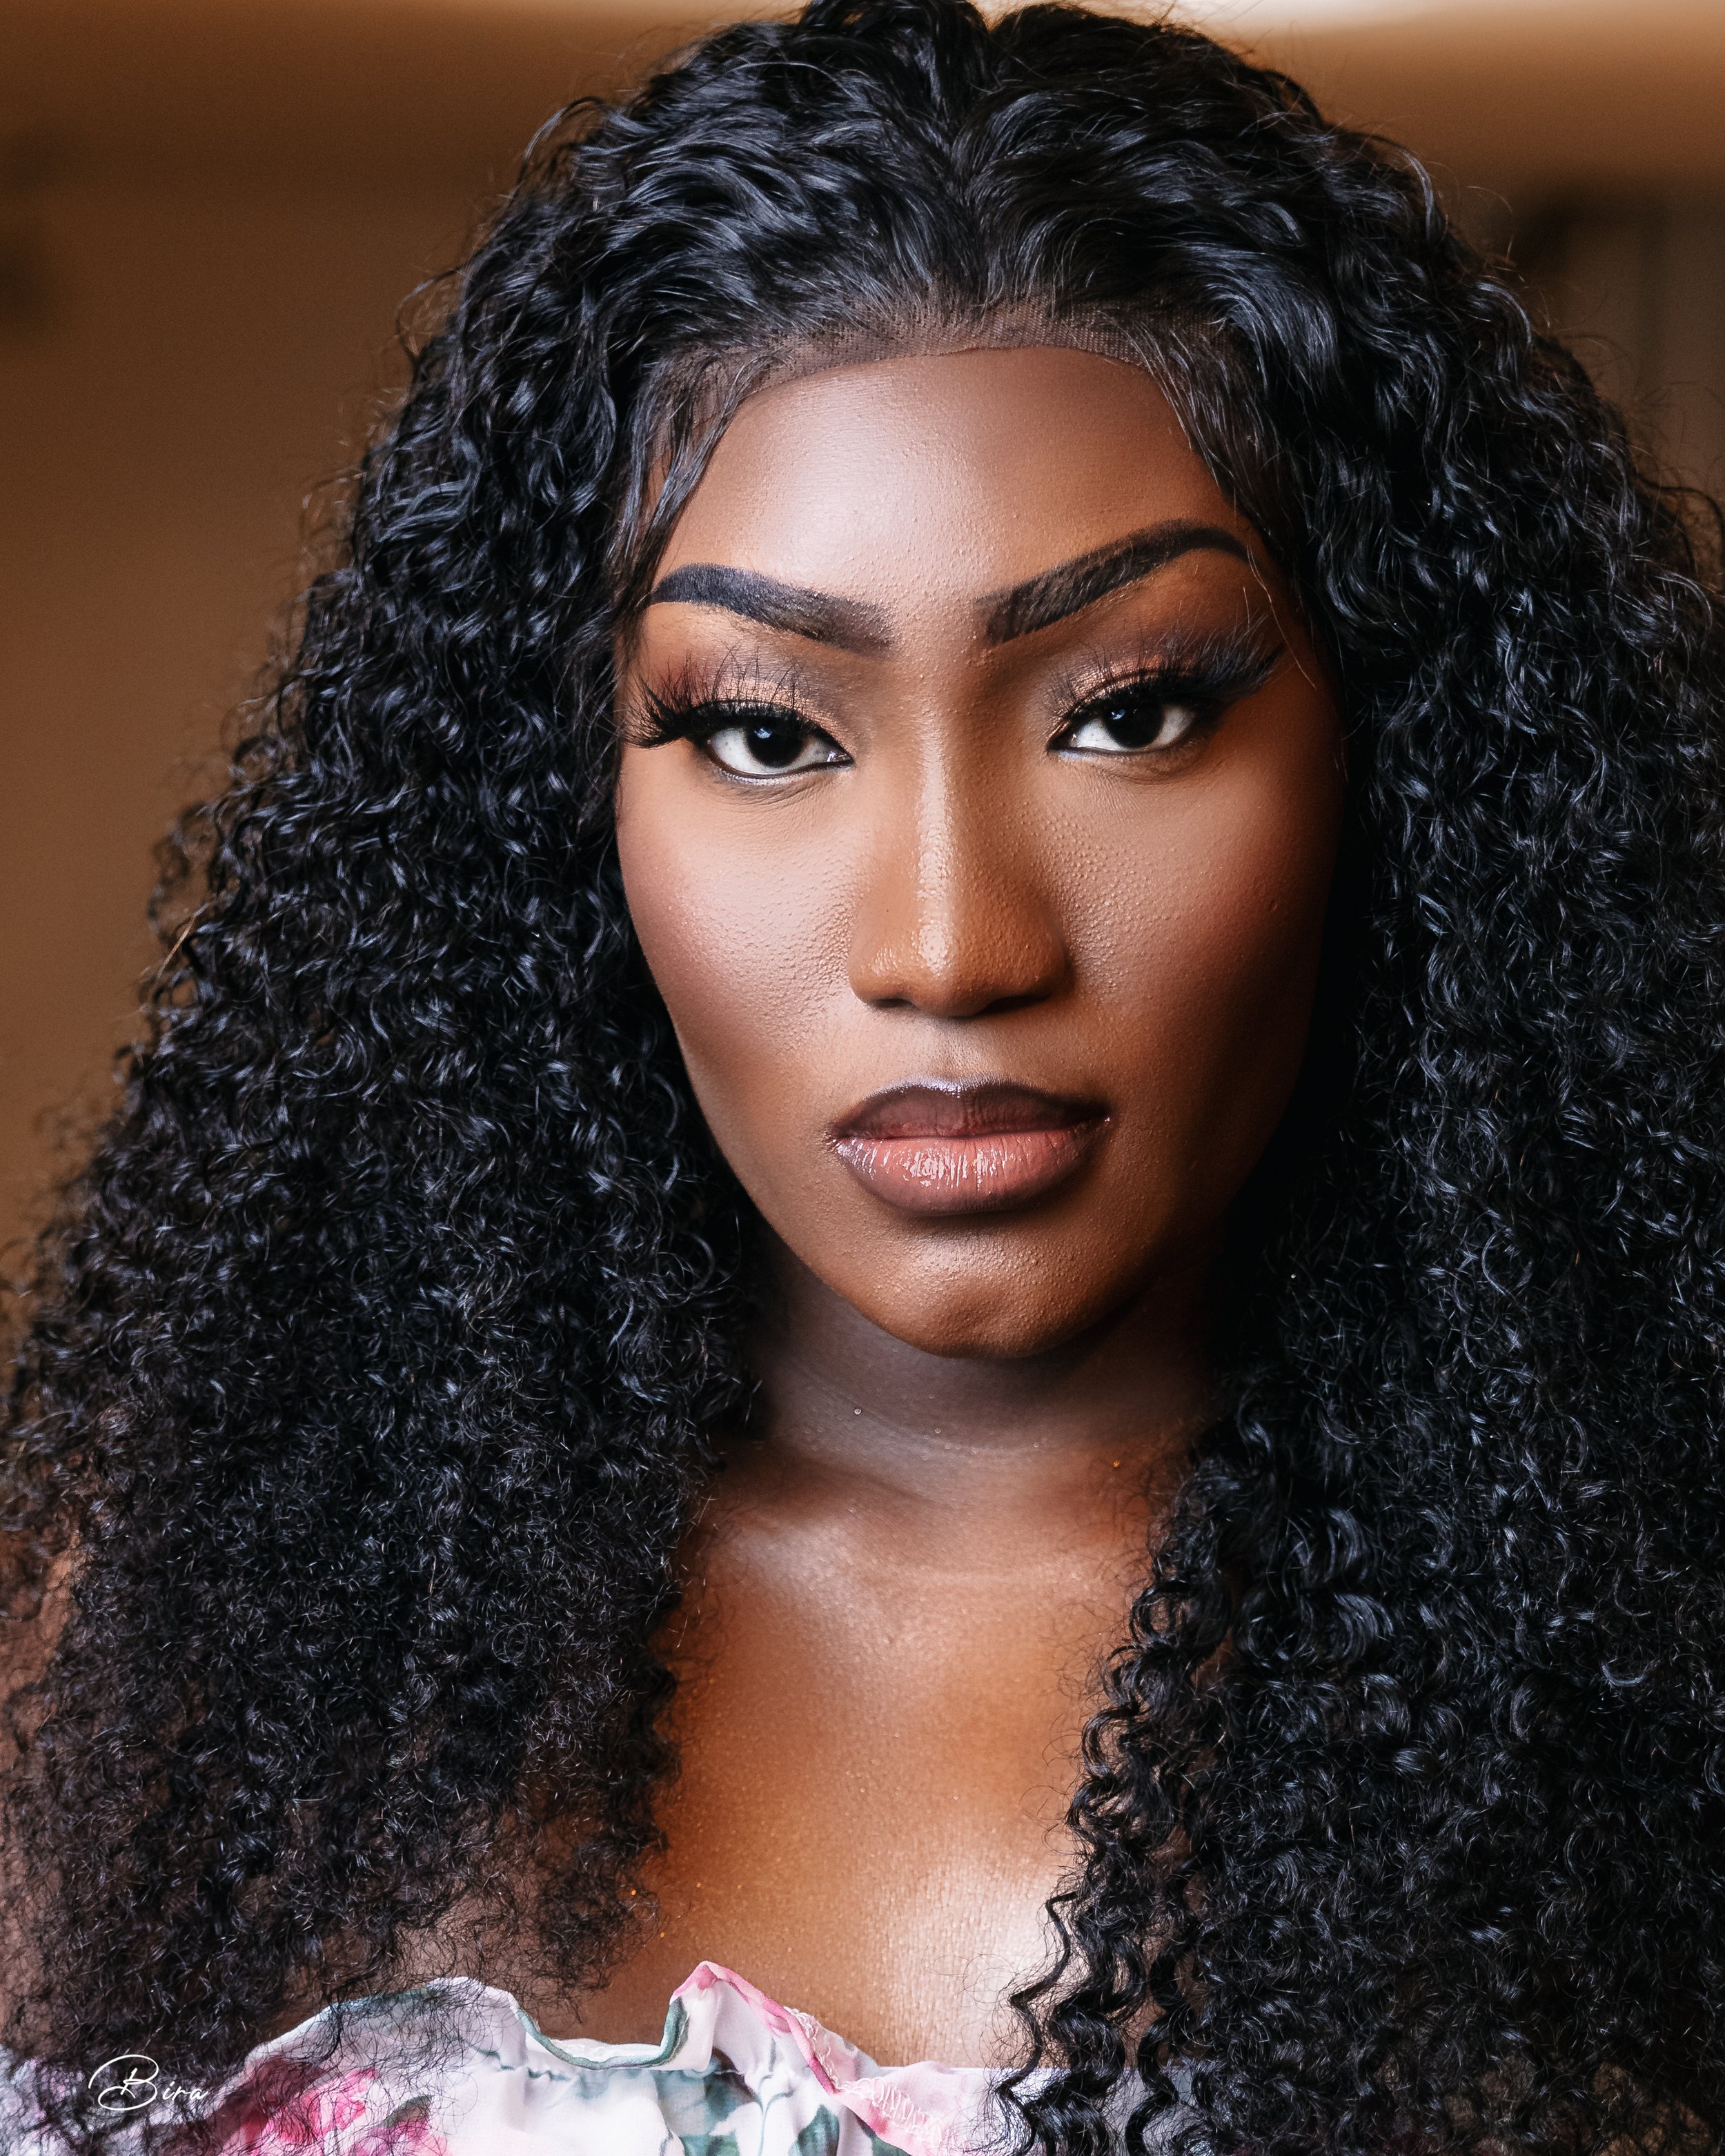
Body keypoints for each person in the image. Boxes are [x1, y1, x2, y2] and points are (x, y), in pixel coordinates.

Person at [4, 0, 1724, 2148]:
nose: (949, 944)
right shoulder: (161, 1664)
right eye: (761, 731)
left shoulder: (1662, 1677)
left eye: (1132, 712)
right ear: (557, 816)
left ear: (1403, 771)